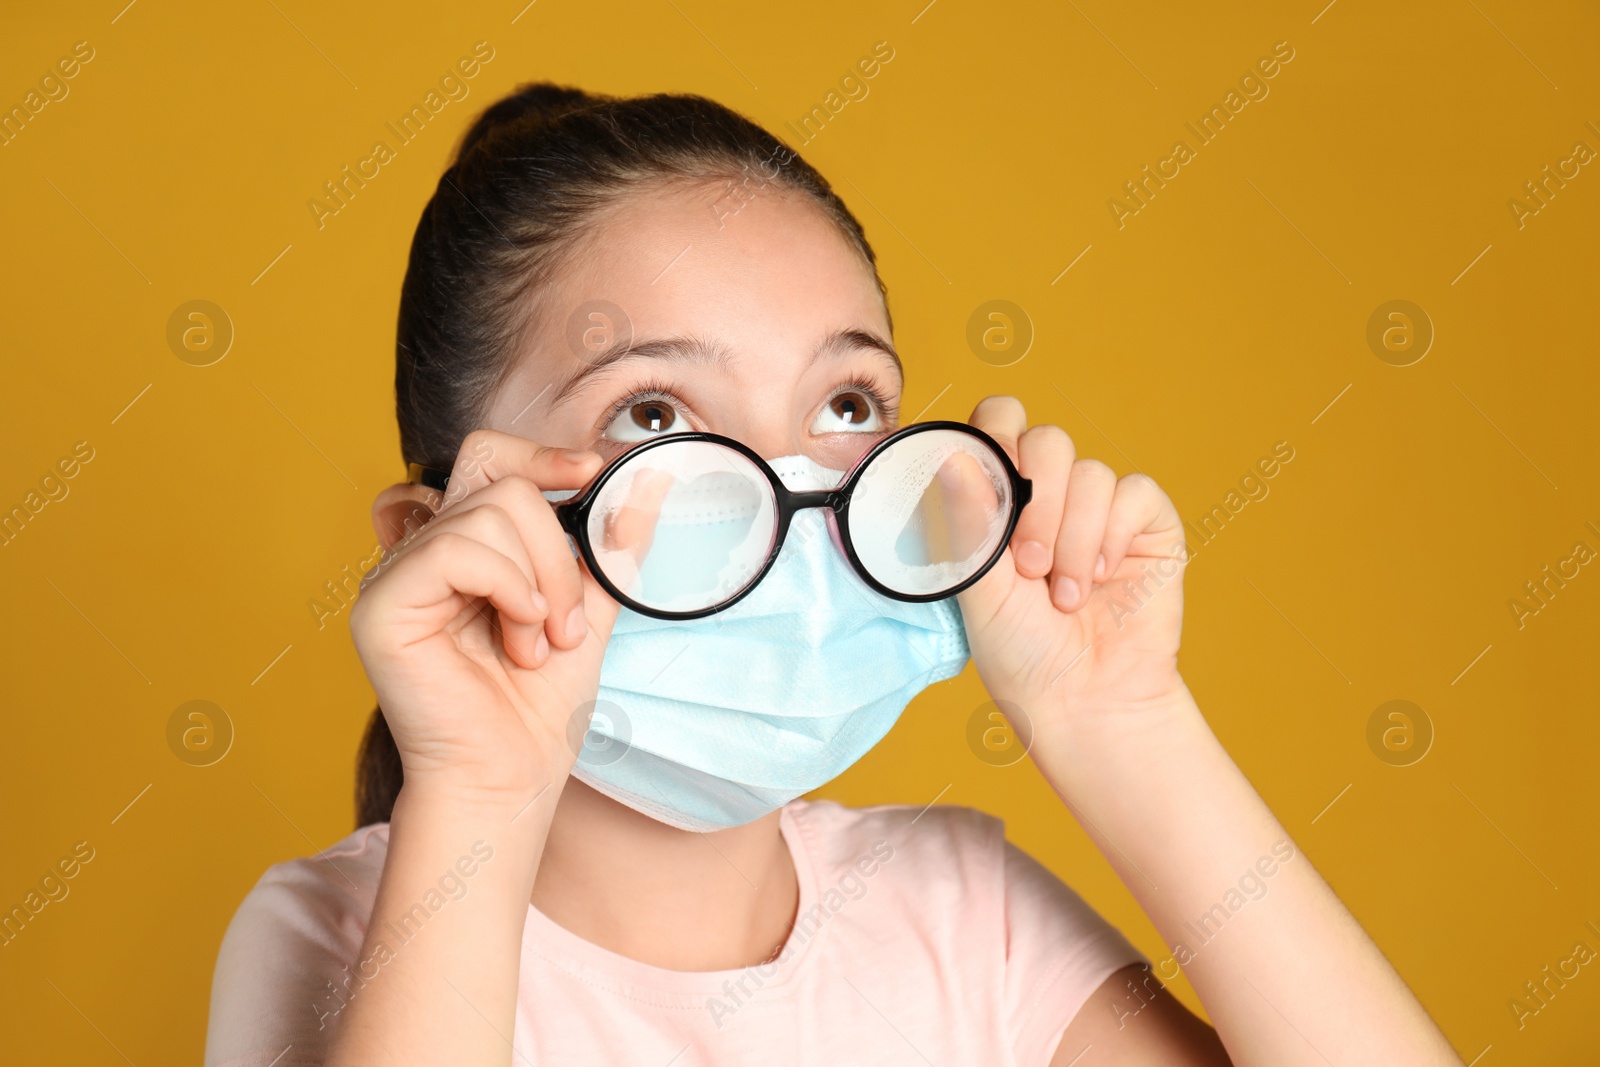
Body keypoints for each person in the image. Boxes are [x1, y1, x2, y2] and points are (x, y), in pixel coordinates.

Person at [203, 83, 1463, 1066]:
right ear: (433, 537)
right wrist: (474, 786)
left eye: (847, 402)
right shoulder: (334, 934)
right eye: (653, 415)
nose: (788, 490)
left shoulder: (964, 910)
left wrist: (1119, 718)